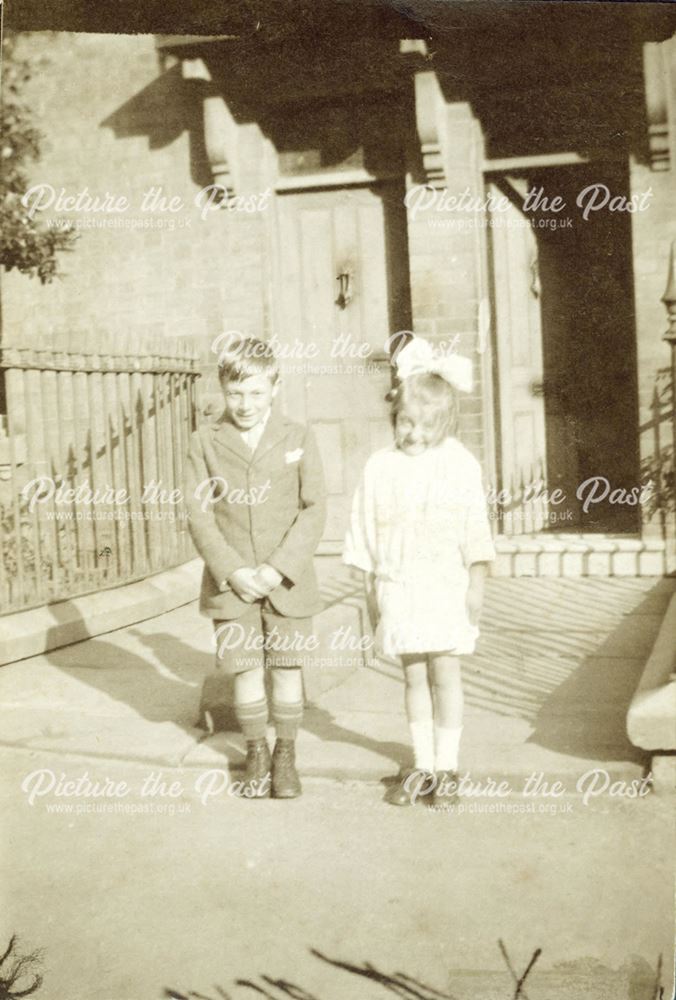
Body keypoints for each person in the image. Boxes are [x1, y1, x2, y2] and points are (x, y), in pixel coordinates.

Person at [343, 336, 495, 807]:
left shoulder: (458, 465)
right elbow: (364, 531)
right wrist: (370, 592)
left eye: (426, 425)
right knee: (412, 677)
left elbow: (475, 528)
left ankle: (447, 768)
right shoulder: (380, 467)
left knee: (445, 674)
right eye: (406, 422)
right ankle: (422, 765)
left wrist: (476, 583)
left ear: (444, 423)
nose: (414, 434)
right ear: (394, 417)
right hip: (400, 587)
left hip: (445, 586)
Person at [184, 335, 326, 799]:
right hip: (233, 584)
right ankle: (256, 753)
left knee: (286, 667)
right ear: (222, 388)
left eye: (257, 393)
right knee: (244, 669)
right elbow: (198, 513)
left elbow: (314, 508)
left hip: (286, 581)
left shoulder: (299, 437)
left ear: (275, 387)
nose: (245, 404)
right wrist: (233, 570)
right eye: (235, 393)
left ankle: (285, 754)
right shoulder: (204, 442)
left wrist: (278, 568)